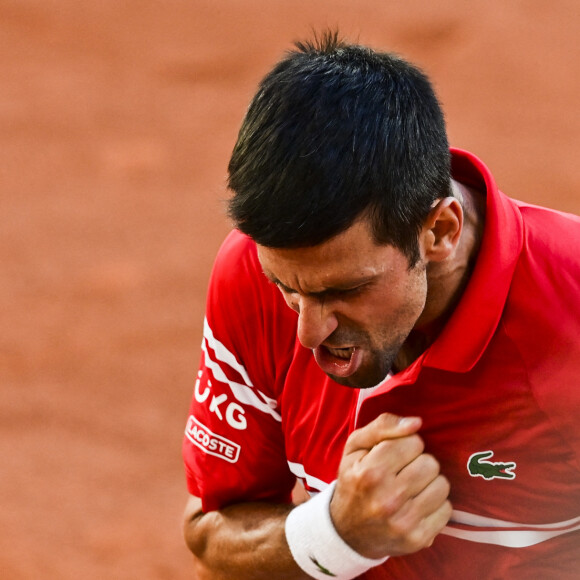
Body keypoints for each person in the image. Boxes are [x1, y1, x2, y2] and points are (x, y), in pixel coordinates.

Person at [182, 31, 580, 579]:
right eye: (287, 287)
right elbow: (212, 538)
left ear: (438, 230)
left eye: (342, 290)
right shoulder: (249, 271)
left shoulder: (570, 318)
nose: (307, 333)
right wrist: (336, 534)